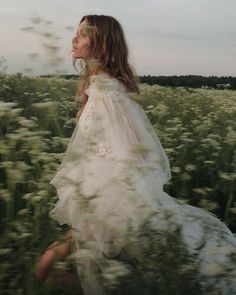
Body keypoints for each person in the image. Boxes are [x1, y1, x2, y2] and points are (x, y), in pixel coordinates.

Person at [35, 15, 236, 295]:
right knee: (68, 274)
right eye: (76, 32)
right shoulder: (100, 88)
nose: (74, 39)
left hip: (109, 208)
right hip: (96, 205)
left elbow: (137, 154)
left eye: (82, 34)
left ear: (102, 42)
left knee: (52, 268)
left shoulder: (109, 93)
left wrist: (107, 208)